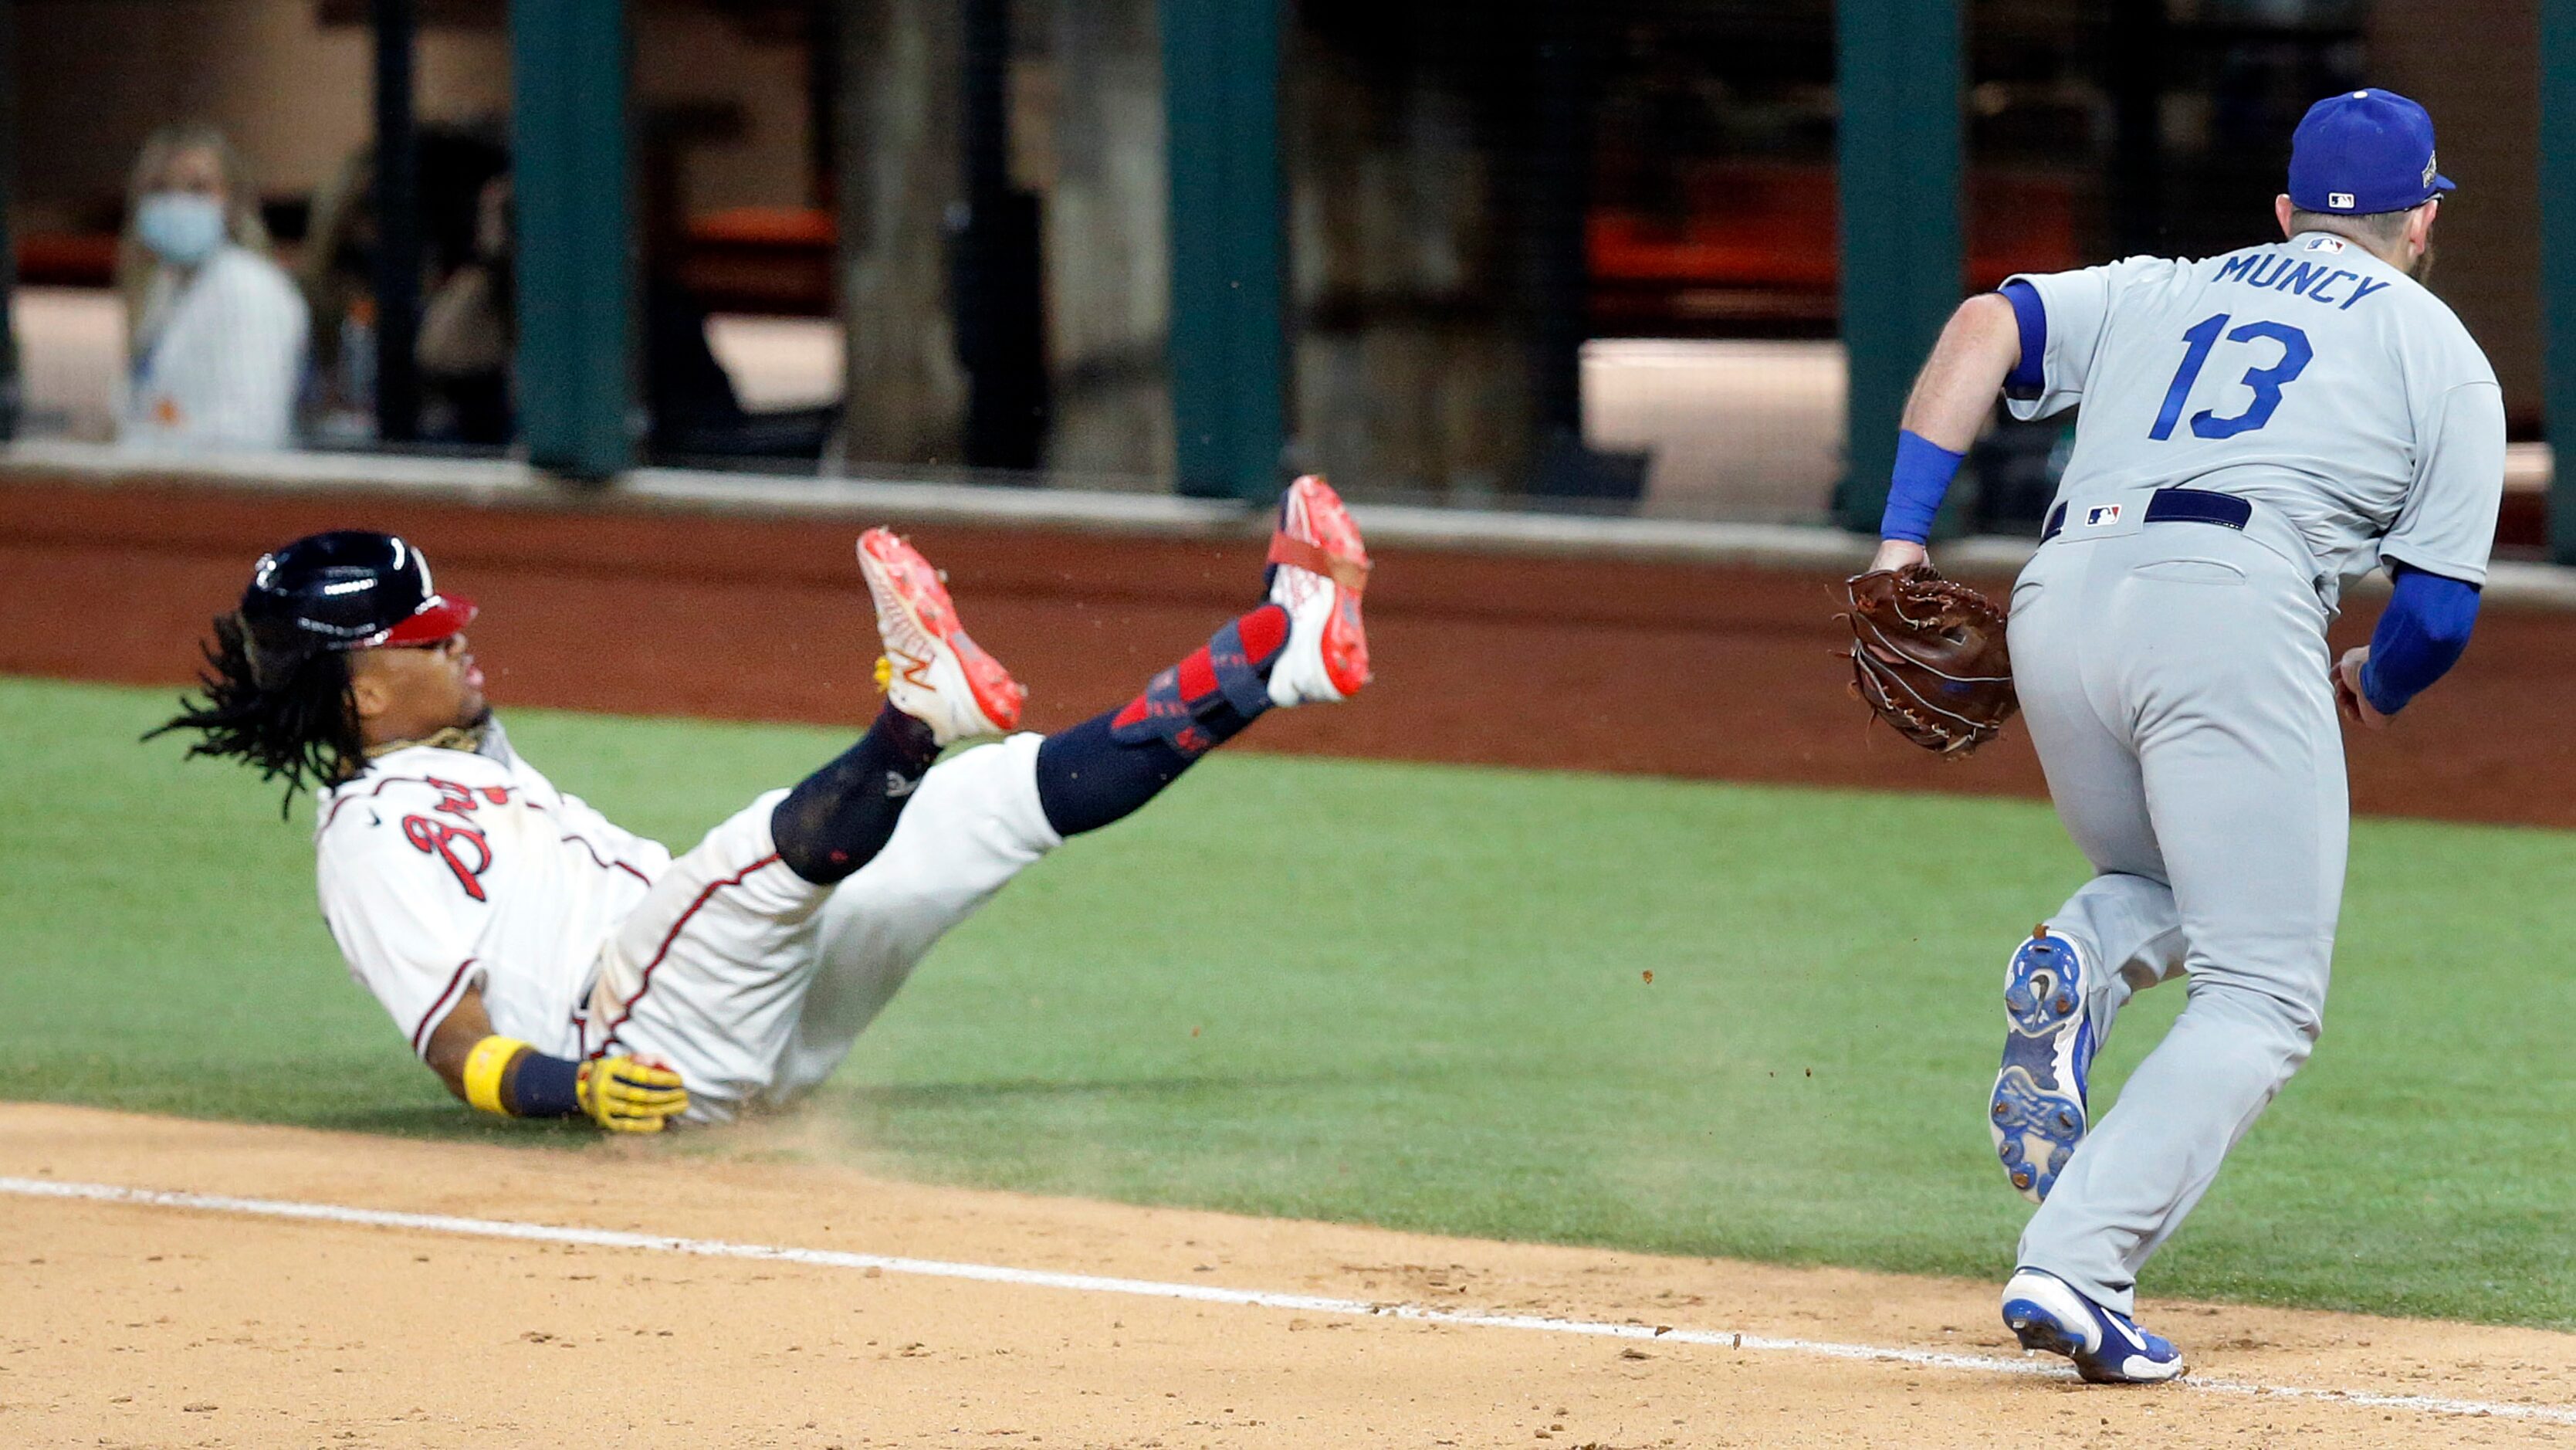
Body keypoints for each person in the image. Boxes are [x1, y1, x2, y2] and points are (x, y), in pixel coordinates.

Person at [1865, 89, 2500, 1381]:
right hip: (2229, 603)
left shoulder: (2169, 283)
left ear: (2281, 210)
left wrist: (1899, 536)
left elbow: (1989, 319)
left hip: (2060, 604)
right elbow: (2434, 614)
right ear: (2423, 217)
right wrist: (2371, 682)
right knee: (2262, 994)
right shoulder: (2437, 350)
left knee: (2159, 881)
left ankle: (2083, 950)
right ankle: (2077, 1261)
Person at [154, 476, 1373, 1130]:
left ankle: (1281, 655)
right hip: (636, 1047)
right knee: (750, 854)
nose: (461, 639)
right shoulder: (363, 843)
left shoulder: (459, 748)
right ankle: (916, 712)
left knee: (991, 800)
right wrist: (564, 1089)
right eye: (425, 637)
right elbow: (452, 1041)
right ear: (363, 696)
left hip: (746, 1015)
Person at [116, 124, 309, 451]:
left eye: (198, 189)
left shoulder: (252, 288)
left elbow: (250, 433)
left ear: (232, 202)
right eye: (160, 189)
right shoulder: (164, 289)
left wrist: (150, 443)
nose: (177, 203)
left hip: (227, 495)